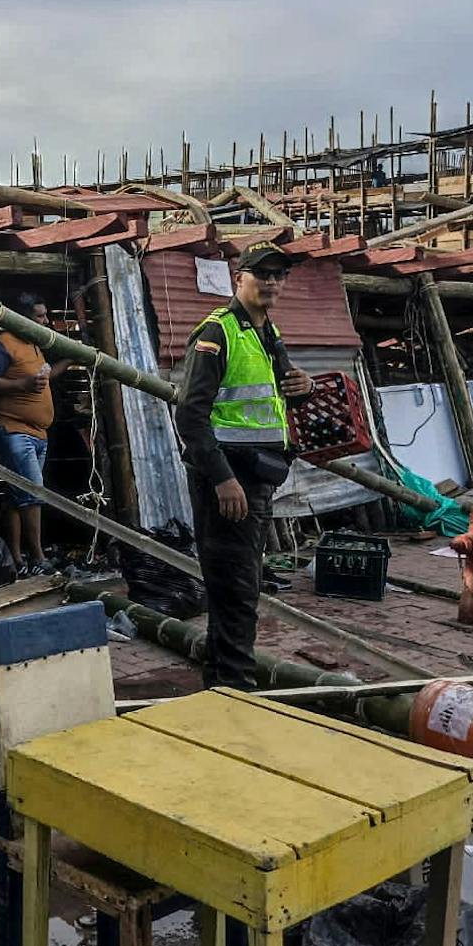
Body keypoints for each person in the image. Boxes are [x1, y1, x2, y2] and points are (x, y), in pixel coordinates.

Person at [173, 243, 316, 690]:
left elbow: (274, 396)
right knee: (237, 590)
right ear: (240, 279)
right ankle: (237, 690)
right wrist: (223, 480)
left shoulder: (267, 333)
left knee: (238, 587)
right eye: (263, 274)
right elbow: (190, 416)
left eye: (280, 275)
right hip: (228, 482)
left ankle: (222, 685)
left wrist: (304, 386)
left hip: (256, 477)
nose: (272, 282)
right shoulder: (218, 332)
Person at [0, 293, 71, 575]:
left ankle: (16, 558)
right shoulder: (2, 344)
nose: (45, 322)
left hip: (36, 432)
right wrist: (21, 385)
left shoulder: (35, 345)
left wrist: (70, 358)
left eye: (45, 316)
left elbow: (44, 378)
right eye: (39, 317)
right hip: (12, 429)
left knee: (16, 495)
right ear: (21, 318)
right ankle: (38, 557)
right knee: (32, 493)